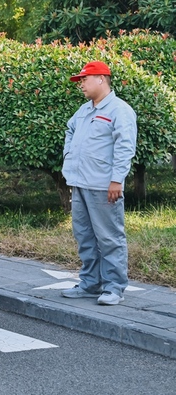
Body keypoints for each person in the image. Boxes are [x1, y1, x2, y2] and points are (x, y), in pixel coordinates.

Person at [61, 61, 137, 306]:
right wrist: (69, 157)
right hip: (80, 183)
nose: (81, 84)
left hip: (104, 186)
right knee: (84, 236)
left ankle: (114, 287)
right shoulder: (84, 110)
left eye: (84, 79)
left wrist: (117, 180)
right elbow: (70, 131)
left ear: (101, 79)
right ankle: (90, 283)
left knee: (109, 237)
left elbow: (125, 147)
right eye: (80, 80)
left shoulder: (119, 110)